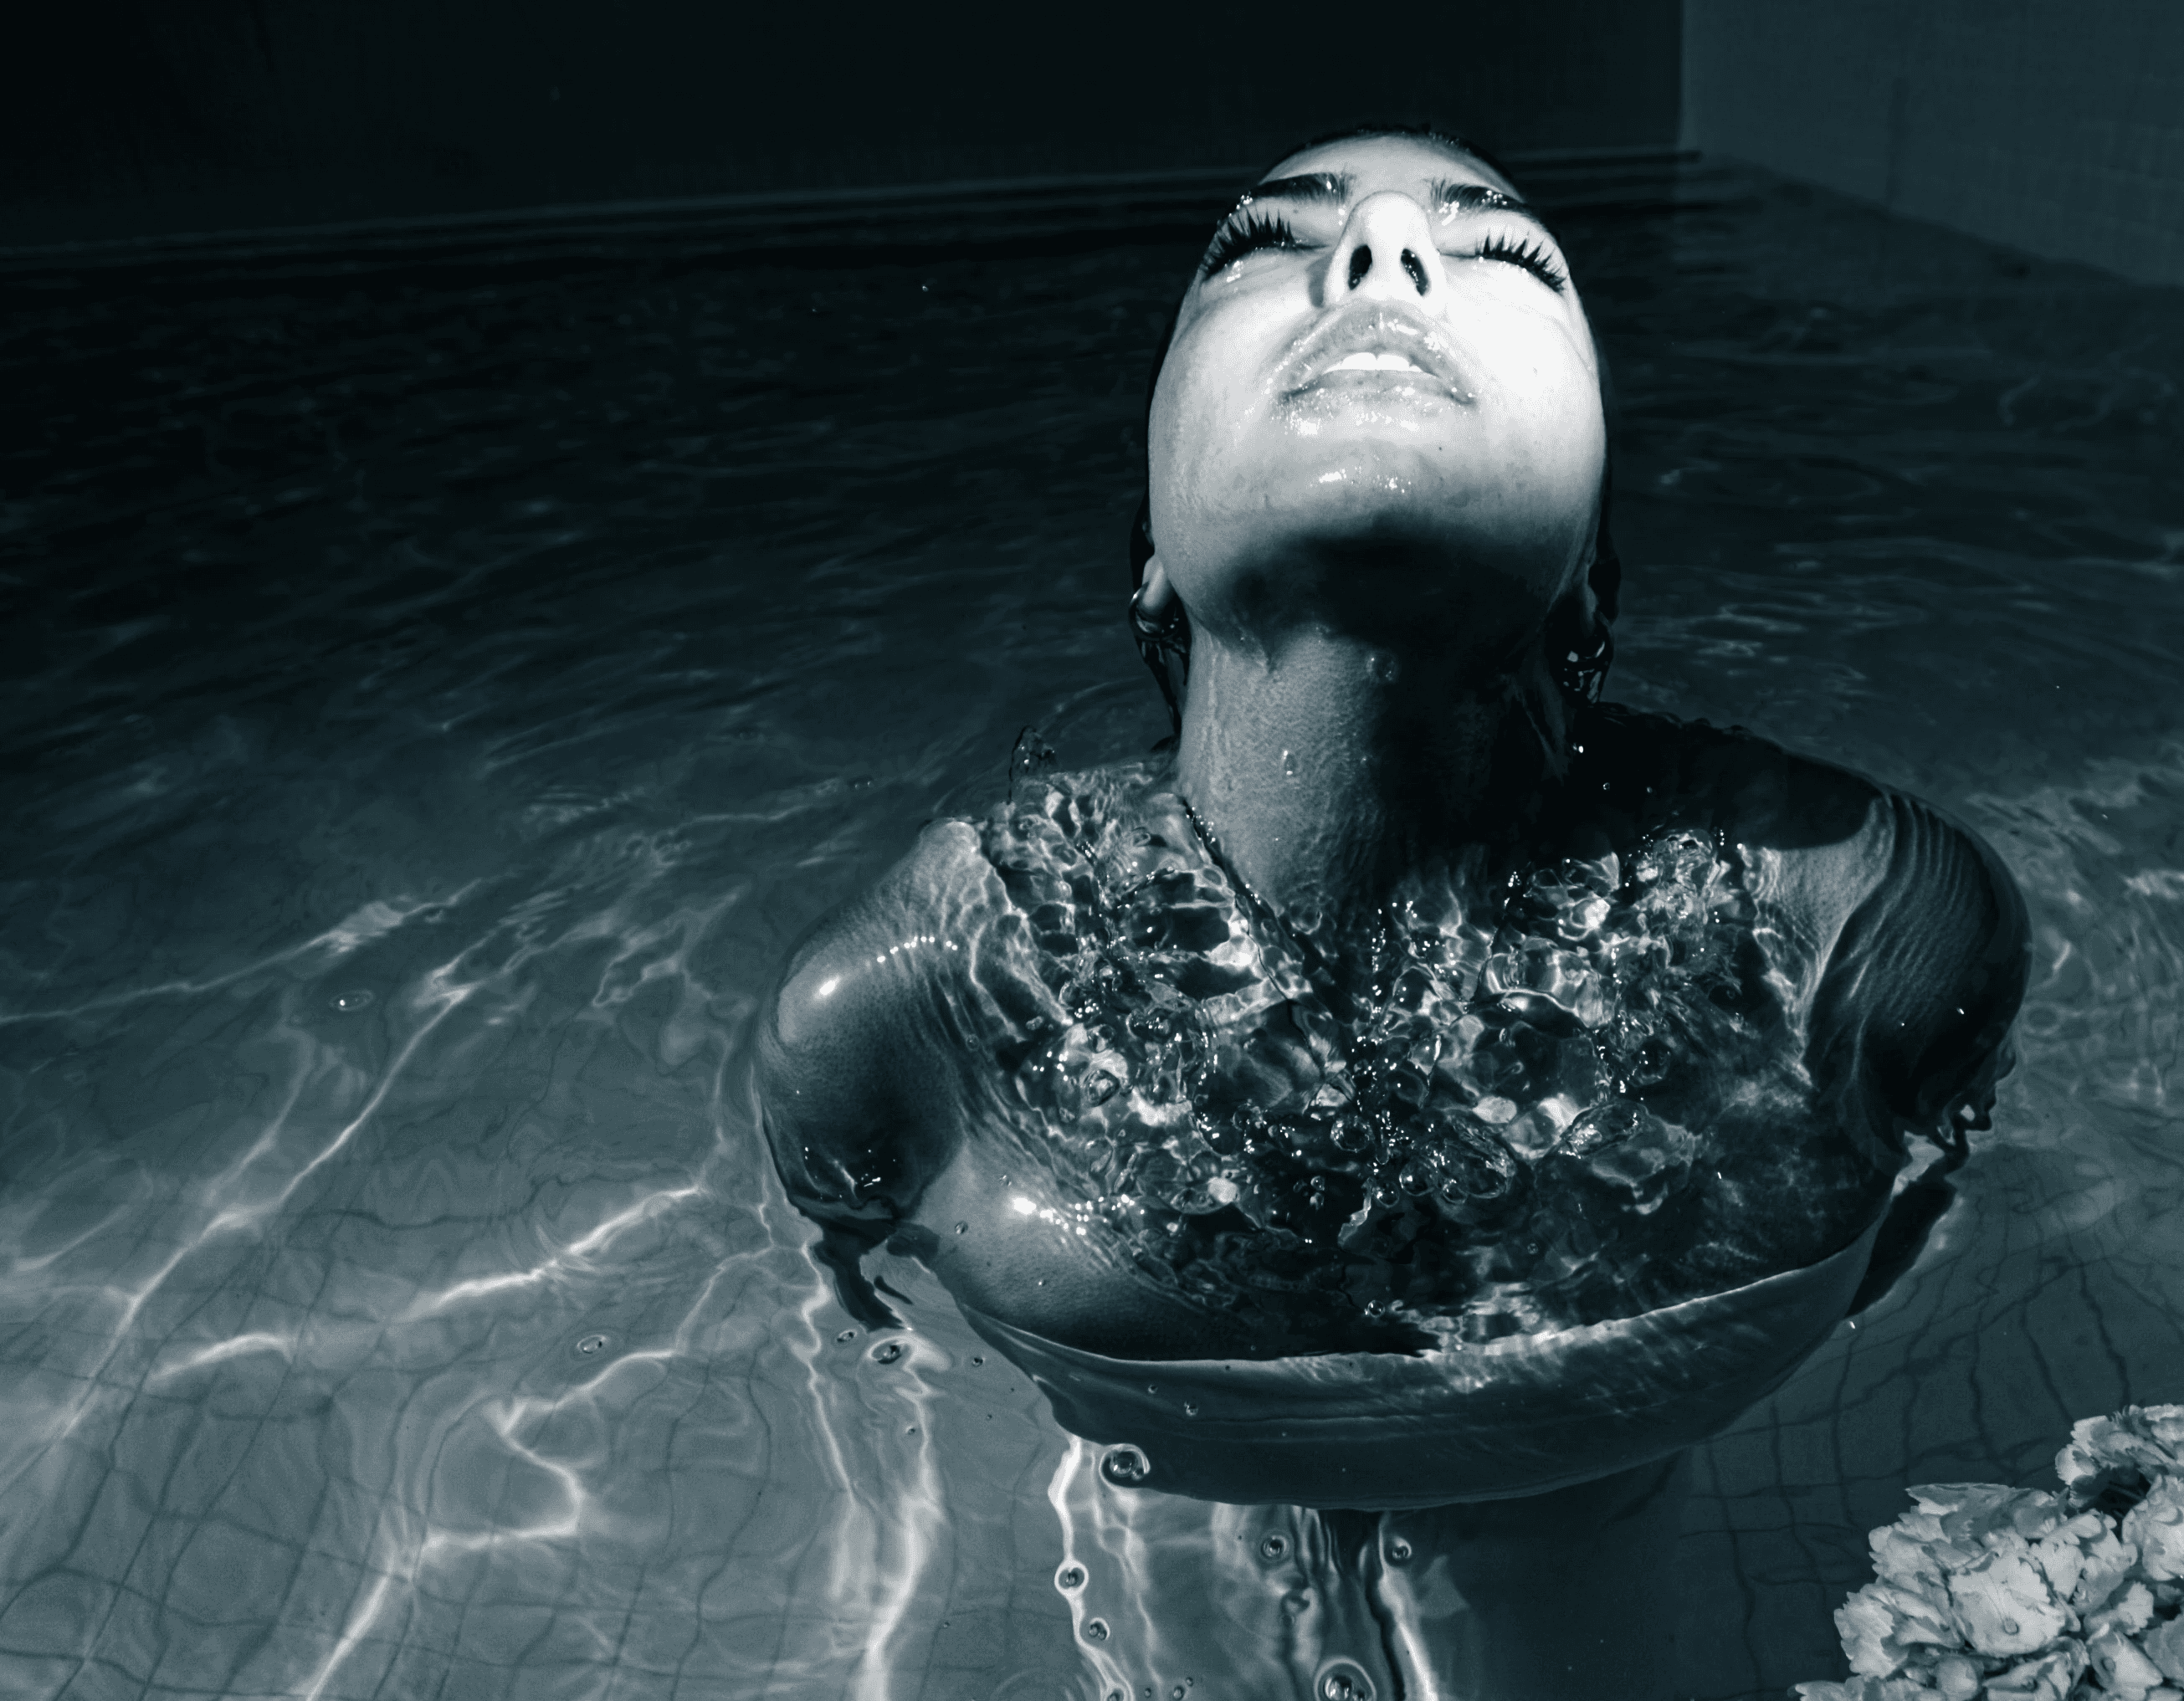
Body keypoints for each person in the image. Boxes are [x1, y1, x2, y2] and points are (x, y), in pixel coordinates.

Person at [759, 127, 2028, 1509]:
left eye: (1498, 252)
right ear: (1147, 567)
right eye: (1266, 246)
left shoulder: (1871, 933)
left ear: (1595, 583)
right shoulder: (892, 1024)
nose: (1387, 251)